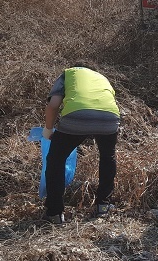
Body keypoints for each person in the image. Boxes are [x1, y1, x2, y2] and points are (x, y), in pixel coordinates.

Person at [42, 62, 120, 224]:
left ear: (76, 68)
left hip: (77, 116)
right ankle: (103, 206)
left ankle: (55, 213)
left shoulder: (68, 74)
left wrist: (48, 129)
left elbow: (53, 104)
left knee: (56, 159)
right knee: (107, 157)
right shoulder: (102, 78)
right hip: (110, 118)